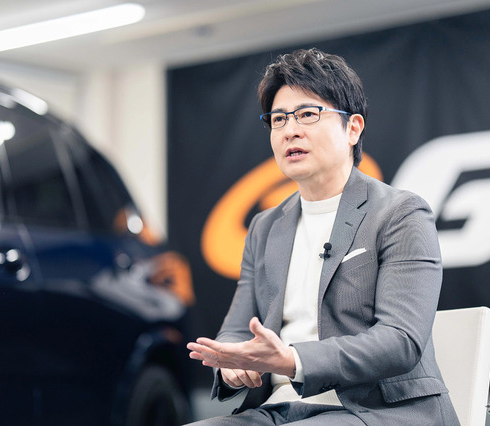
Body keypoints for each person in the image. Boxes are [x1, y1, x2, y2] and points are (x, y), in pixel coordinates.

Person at [186, 48, 459, 425]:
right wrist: (232, 363)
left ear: (353, 128)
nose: (290, 130)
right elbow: (236, 328)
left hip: (375, 411)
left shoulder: (400, 213)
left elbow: (400, 341)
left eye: (307, 114)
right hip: (276, 410)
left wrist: (293, 359)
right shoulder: (264, 227)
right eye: (278, 119)